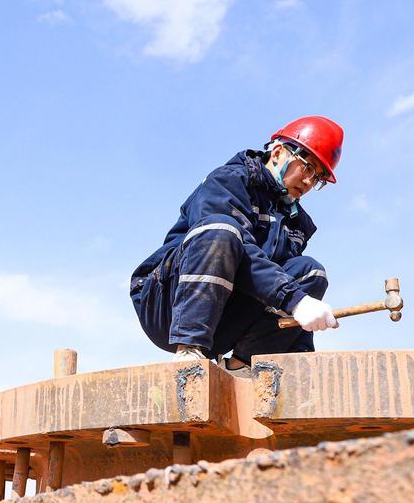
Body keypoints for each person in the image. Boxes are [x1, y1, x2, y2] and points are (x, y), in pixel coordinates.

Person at [130, 117, 344, 372]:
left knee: (310, 272)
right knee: (223, 231)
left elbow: (275, 280)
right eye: (308, 168)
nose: (309, 182)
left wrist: (302, 351)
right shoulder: (229, 182)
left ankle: (241, 366)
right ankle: (189, 351)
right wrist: (296, 300)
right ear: (278, 153)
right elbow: (241, 253)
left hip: (226, 317)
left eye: (317, 178)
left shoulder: (297, 223)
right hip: (169, 304)